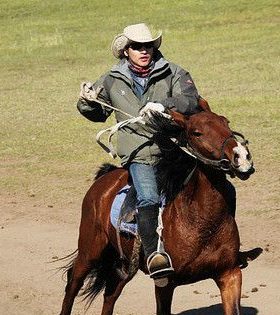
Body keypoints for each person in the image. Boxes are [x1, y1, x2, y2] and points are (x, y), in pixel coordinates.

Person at [77, 23, 200, 281]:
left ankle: (228, 248)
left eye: (148, 46)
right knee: (148, 197)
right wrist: (86, 102)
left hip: (175, 149)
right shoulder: (112, 79)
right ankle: (155, 256)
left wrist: (163, 104)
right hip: (138, 152)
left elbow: (190, 101)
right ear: (126, 51)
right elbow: (99, 113)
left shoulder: (174, 72)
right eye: (137, 47)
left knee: (220, 186)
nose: (144, 51)